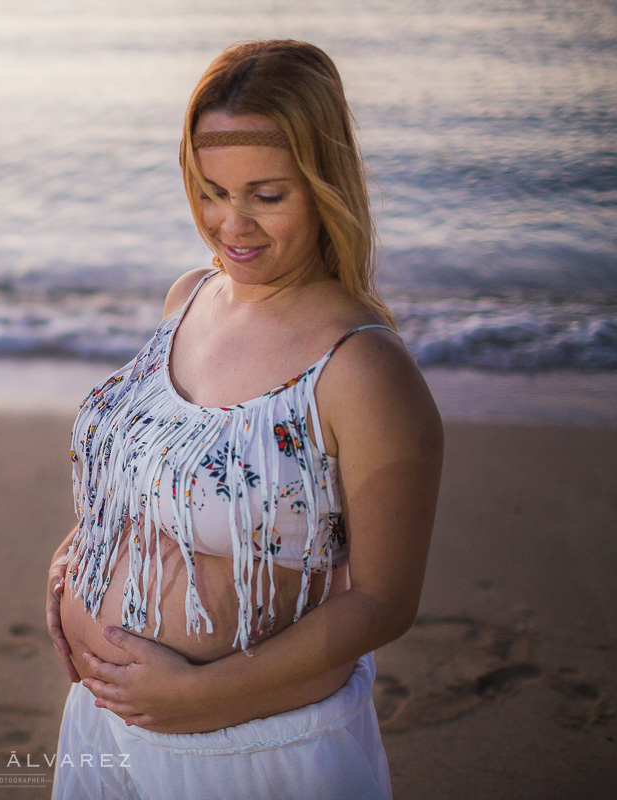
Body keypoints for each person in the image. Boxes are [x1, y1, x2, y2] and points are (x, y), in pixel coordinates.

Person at [44, 40, 443, 799]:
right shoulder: (189, 296)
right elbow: (159, 471)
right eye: (210, 190)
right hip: (102, 725)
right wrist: (79, 558)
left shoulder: (362, 371)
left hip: (248, 754)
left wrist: (198, 695)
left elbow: (384, 600)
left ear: (325, 184)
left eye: (267, 195)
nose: (232, 225)